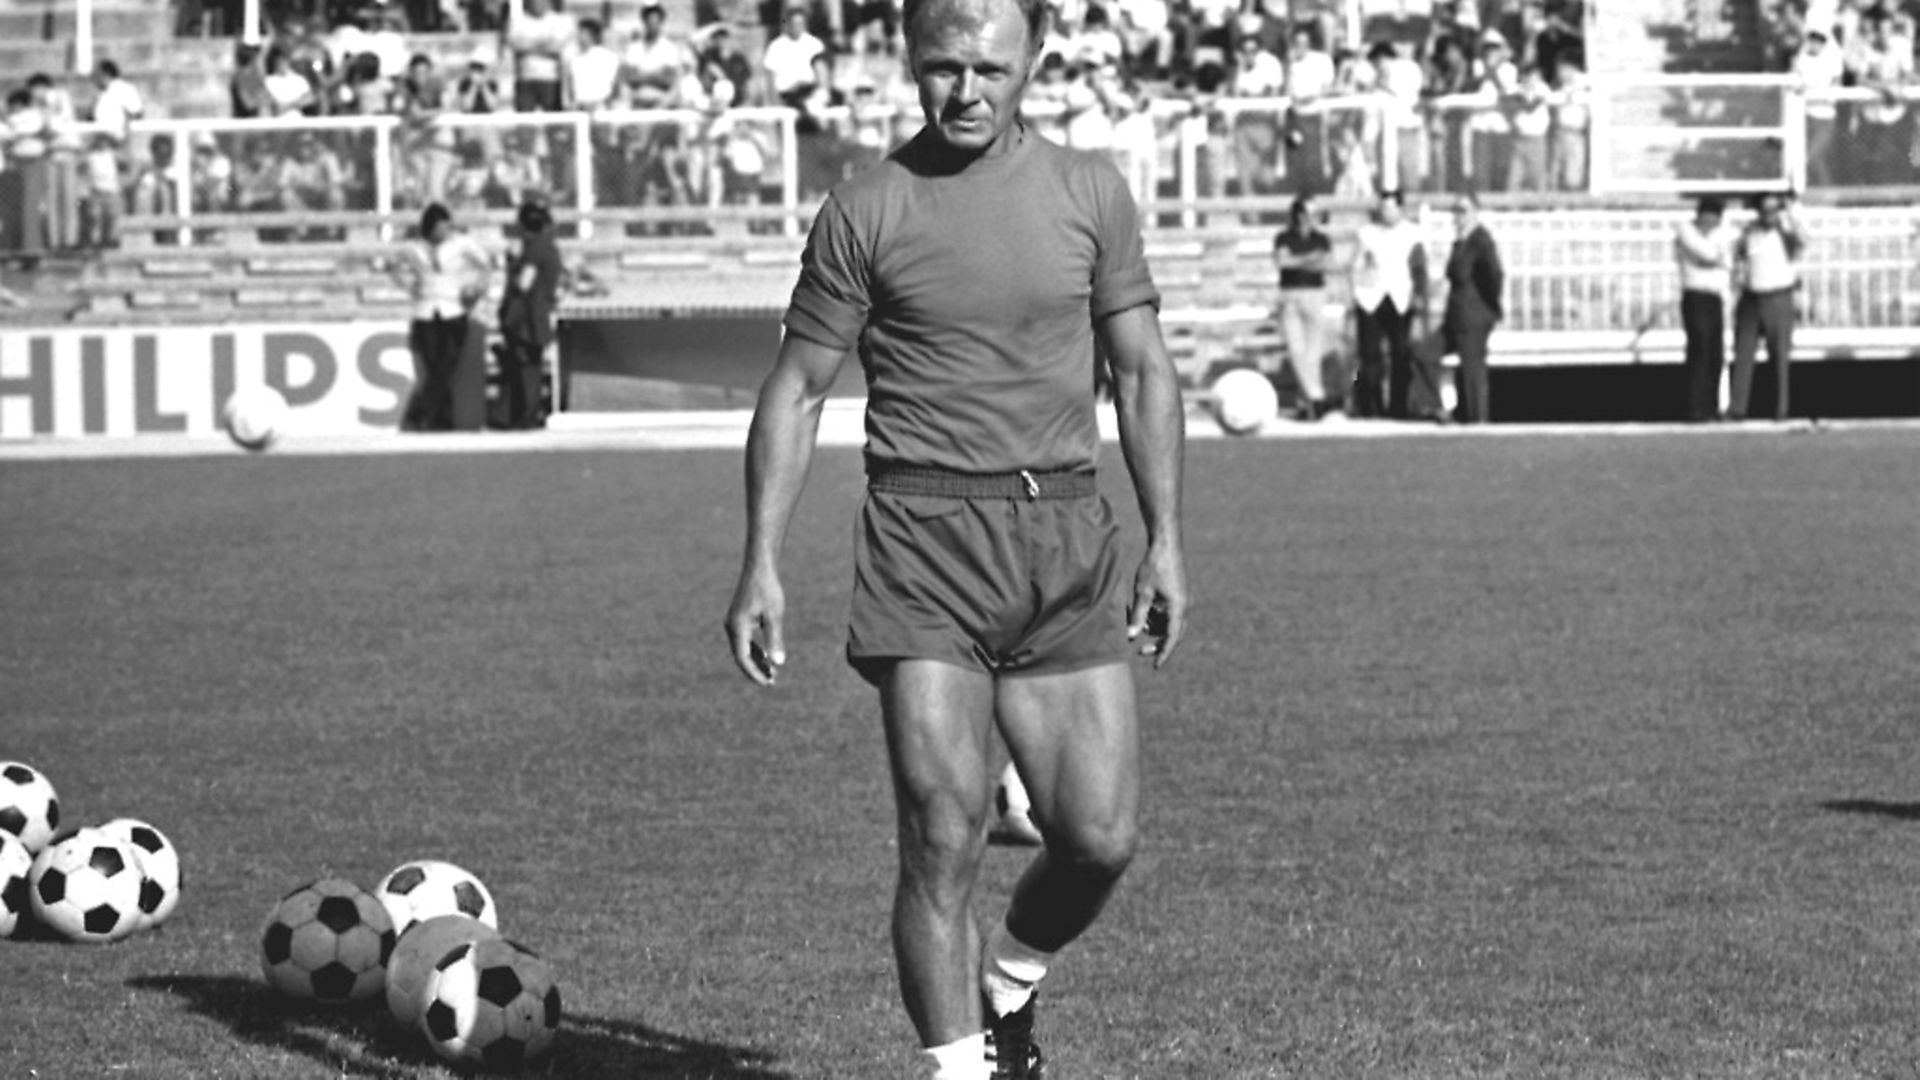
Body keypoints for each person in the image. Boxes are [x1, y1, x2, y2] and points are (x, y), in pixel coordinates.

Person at [722, 0, 1189, 1073]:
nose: (965, 91)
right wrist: (760, 563)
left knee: (1100, 839)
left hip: (1065, 537)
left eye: (989, 67)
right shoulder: (867, 206)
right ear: (910, 64)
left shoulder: (1089, 193)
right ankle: (958, 1067)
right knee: (943, 834)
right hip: (922, 540)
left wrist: (1166, 539)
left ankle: (1009, 980)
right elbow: (796, 391)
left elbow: (1142, 371)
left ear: (1037, 63)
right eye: (943, 68)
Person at [388, 203, 491, 431]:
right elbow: (392, 265)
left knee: (446, 365)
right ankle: (442, 420)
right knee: (435, 367)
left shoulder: (461, 244)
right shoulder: (414, 248)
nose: (446, 231)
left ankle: (420, 414)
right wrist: (409, 286)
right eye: (442, 226)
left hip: (453, 309)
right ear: (431, 226)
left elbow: (485, 265)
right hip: (425, 311)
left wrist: (476, 289)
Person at [1347, 188, 1429, 418]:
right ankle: (1371, 407)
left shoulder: (1414, 234)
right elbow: (1355, 265)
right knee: (1370, 354)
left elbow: (1419, 267)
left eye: (1392, 207)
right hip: (1371, 298)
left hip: (1401, 298)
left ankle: (1398, 406)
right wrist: (1358, 289)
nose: (1387, 212)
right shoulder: (1367, 233)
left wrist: (1419, 297)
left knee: (1401, 354)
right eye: (1384, 207)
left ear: (1401, 209)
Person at [1728, 192, 1804, 421]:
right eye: (1765, 210)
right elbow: (1738, 257)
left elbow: (1803, 240)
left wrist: (1791, 212)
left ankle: (1780, 409)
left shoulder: (1786, 234)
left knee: (1779, 355)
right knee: (1743, 354)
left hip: (1778, 296)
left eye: (1773, 210)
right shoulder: (1749, 233)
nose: (1768, 215)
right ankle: (1737, 409)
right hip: (1751, 297)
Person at [496, 200, 564, 429]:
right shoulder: (551, 247)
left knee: (525, 368)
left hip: (525, 317)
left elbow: (524, 283)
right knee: (529, 366)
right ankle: (522, 414)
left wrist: (512, 263)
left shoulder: (534, 248)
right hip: (539, 313)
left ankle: (524, 415)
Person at [1440, 191, 1502, 423]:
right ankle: (1438, 408)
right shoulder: (1460, 241)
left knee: (1473, 371)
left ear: (1475, 213)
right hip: (1455, 317)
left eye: (1463, 211)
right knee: (1423, 353)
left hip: (1474, 316)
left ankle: (1478, 421)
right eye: (1455, 211)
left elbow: (1494, 275)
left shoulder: (1481, 241)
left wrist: (1489, 307)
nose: (1458, 217)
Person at [1271, 192, 1333, 418]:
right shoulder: (1284, 238)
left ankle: (1306, 404)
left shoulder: (1321, 239)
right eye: (1309, 212)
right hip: (1290, 295)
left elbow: (1324, 264)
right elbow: (1282, 262)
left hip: (1315, 294)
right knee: (1296, 350)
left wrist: (1297, 261)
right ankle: (1317, 396)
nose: (1313, 217)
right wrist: (1309, 259)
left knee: (1312, 354)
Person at [1674, 195, 1732, 422]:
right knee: (1700, 350)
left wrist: (1719, 258)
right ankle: (1695, 407)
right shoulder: (1685, 231)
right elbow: (1707, 255)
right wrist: (1718, 257)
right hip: (1696, 295)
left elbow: (1725, 258)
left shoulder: (1720, 233)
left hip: (1715, 296)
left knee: (1715, 354)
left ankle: (1711, 406)